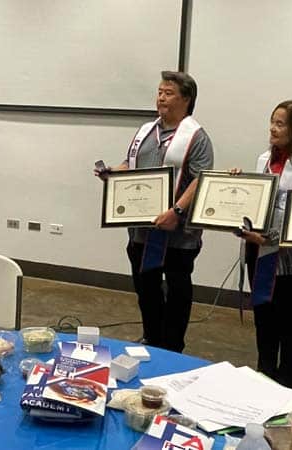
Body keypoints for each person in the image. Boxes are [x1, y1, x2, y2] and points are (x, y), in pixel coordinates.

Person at [96, 71, 214, 353]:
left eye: (168, 92)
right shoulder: (146, 131)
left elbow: (200, 179)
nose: (161, 97)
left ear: (186, 99)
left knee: (176, 289)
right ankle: (152, 337)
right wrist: (114, 173)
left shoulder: (196, 137)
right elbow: (131, 163)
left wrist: (176, 210)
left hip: (178, 232)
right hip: (142, 228)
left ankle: (172, 346)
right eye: (159, 91)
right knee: (145, 286)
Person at [231, 100, 292, 388]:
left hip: (290, 260)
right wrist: (237, 186)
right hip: (258, 251)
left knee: (288, 323)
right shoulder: (264, 159)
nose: (273, 128)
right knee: (263, 316)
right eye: (272, 121)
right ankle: (264, 374)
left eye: (281, 123)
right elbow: (258, 201)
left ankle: (286, 385)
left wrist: (269, 238)